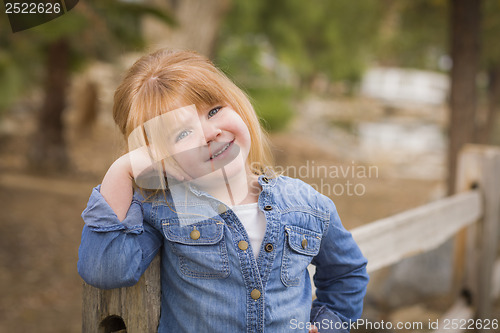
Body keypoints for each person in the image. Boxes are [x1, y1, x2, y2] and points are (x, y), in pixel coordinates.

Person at [77, 49, 369, 333]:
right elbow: (105, 269)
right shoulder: (167, 208)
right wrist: (122, 168)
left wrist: (328, 324)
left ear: (238, 106)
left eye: (214, 111)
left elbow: (348, 273)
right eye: (182, 133)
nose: (209, 133)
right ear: (158, 156)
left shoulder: (306, 204)